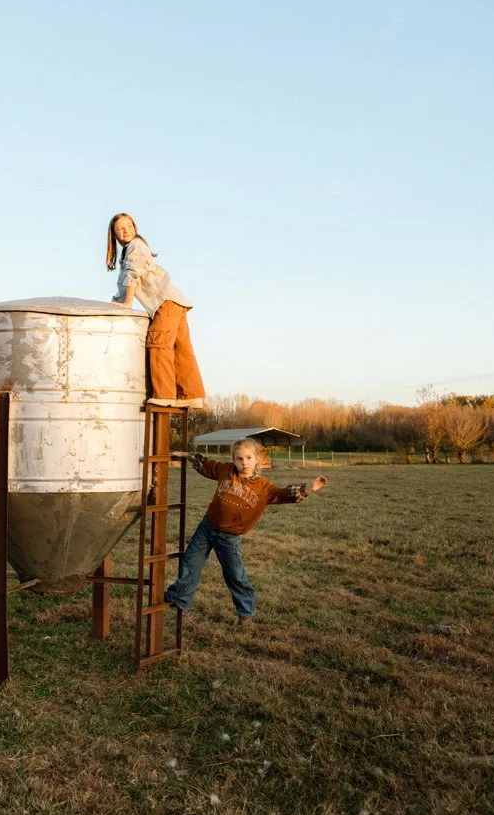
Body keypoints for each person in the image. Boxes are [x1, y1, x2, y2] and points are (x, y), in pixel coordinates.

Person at [166, 439, 328, 628]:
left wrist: (310, 488)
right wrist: (183, 455)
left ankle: (246, 614)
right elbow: (206, 463)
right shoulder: (225, 471)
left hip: (229, 537)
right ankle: (178, 598)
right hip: (207, 527)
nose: (244, 462)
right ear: (233, 460)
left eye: (249, 458)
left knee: (235, 575)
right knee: (190, 562)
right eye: (239, 458)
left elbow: (285, 494)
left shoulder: (263, 487)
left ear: (257, 460)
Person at [106, 212, 205, 407]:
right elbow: (124, 284)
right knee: (181, 348)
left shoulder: (135, 246)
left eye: (129, 226)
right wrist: (116, 301)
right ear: (114, 235)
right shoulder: (135, 248)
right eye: (120, 228)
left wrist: (126, 304)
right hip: (176, 301)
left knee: (158, 344)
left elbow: (132, 275)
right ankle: (190, 395)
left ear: (135, 228)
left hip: (164, 302)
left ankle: (164, 396)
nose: (125, 230)